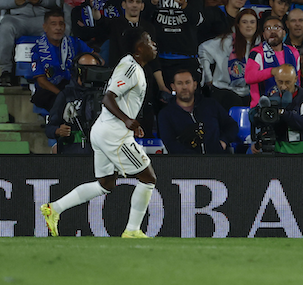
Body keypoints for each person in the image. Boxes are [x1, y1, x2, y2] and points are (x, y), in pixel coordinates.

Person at [41, 28, 159, 239]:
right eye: (150, 41)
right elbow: (108, 97)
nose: (154, 45)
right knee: (148, 177)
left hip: (104, 129)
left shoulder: (134, 67)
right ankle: (132, 230)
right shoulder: (130, 67)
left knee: (106, 184)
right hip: (114, 134)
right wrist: (126, 120)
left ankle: (54, 209)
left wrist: (131, 121)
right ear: (139, 48)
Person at [144, 0, 204, 85]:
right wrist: (153, 3)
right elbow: (143, 23)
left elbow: (198, 21)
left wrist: (185, 6)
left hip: (186, 59)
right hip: (159, 60)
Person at [158, 69, 239, 154]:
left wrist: (223, 141)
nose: (184, 87)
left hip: (217, 160)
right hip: (185, 164)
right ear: (173, 87)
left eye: (188, 82)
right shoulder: (165, 114)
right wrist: (194, 158)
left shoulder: (211, 105)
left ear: (195, 85)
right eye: (179, 83)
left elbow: (232, 126)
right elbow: (170, 143)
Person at [45, 53, 106, 154]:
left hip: (100, 151)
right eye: (84, 69)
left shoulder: (106, 95)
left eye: (93, 68)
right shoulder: (66, 95)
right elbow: (49, 128)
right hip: (73, 152)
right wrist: (58, 130)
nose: (89, 72)